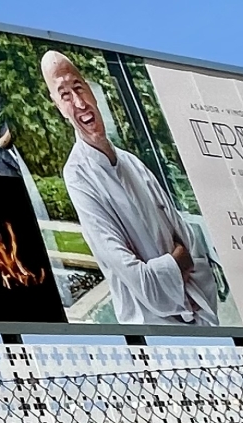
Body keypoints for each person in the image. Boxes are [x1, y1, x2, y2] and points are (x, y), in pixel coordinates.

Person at [43, 50, 219, 326]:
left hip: (201, 319)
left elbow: (192, 248)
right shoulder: (77, 176)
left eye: (78, 88)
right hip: (155, 335)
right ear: (58, 106)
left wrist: (174, 267)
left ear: (90, 89)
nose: (79, 102)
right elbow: (140, 280)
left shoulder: (132, 163)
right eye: (65, 94)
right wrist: (177, 261)